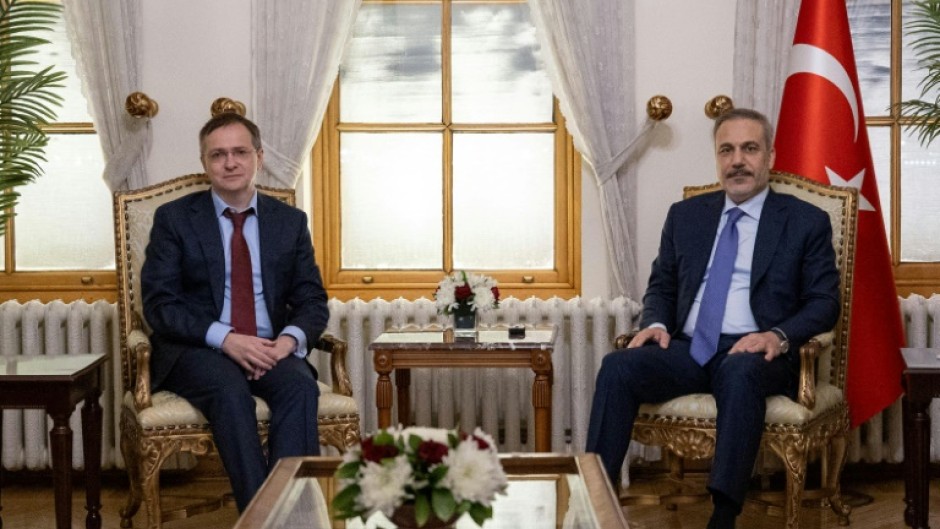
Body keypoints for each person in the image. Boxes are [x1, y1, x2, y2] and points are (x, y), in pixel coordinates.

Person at [585, 108, 840, 529]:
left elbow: (823, 302)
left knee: (740, 372)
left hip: (756, 353)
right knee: (618, 367)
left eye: (749, 149)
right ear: (717, 158)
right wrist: (656, 324)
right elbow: (662, 286)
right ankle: (596, 503)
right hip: (690, 348)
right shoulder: (685, 216)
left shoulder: (805, 221)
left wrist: (776, 336)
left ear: (770, 156)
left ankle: (723, 515)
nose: (737, 160)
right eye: (727, 150)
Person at [140, 112, 329, 512]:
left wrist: (287, 342)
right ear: (204, 162)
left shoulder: (290, 222)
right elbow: (160, 305)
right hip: (199, 349)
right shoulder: (175, 219)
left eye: (240, 152)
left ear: (259, 157)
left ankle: (291, 512)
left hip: (269, 346)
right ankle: (262, 516)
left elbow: (311, 299)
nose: (230, 163)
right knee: (229, 391)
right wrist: (225, 338)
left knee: (299, 387)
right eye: (218, 154)